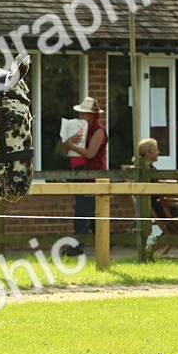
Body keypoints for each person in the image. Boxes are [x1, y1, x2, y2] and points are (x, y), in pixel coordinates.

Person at [62, 97, 107, 256]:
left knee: (83, 210)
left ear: (93, 115)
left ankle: (78, 246)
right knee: (90, 211)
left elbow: (90, 153)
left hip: (93, 175)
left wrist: (71, 145)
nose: (81, 116)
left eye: (85, 114)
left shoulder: (99, 130)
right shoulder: (79, 128)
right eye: (80, 113)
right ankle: (107, 240)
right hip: (79, 173)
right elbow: (64, 151)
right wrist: (69, 142)